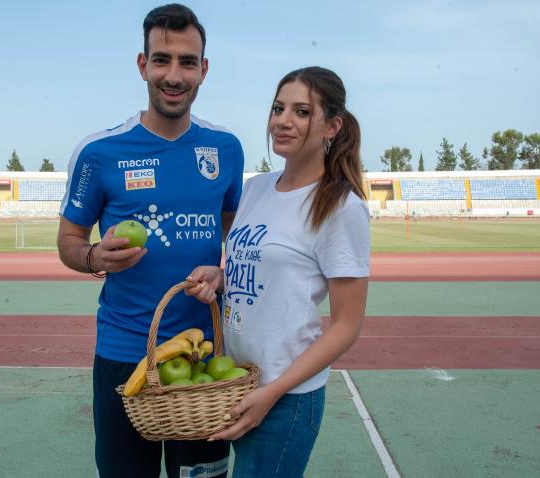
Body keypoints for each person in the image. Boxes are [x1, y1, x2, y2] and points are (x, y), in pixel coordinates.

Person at [56, 4, 244, 478]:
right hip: (125, 355)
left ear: (204, 70)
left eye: (187, 62)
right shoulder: (99, 152)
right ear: (143, 66)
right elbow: (69, 240)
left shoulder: (225, 148)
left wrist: (223, 274)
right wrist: (94, 256)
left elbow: (235, 239)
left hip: (204, 358)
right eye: (162, 60)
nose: (174, 75)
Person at [186, 66, 370, 477]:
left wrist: (273, 392)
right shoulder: (256, 188)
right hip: (234, 380)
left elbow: (346, 326)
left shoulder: (341, 207)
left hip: (286, 397)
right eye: (277, 108)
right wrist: (220, 277)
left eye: (302, 112)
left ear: (332, 126)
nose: (283, 120)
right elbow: (264, 274)